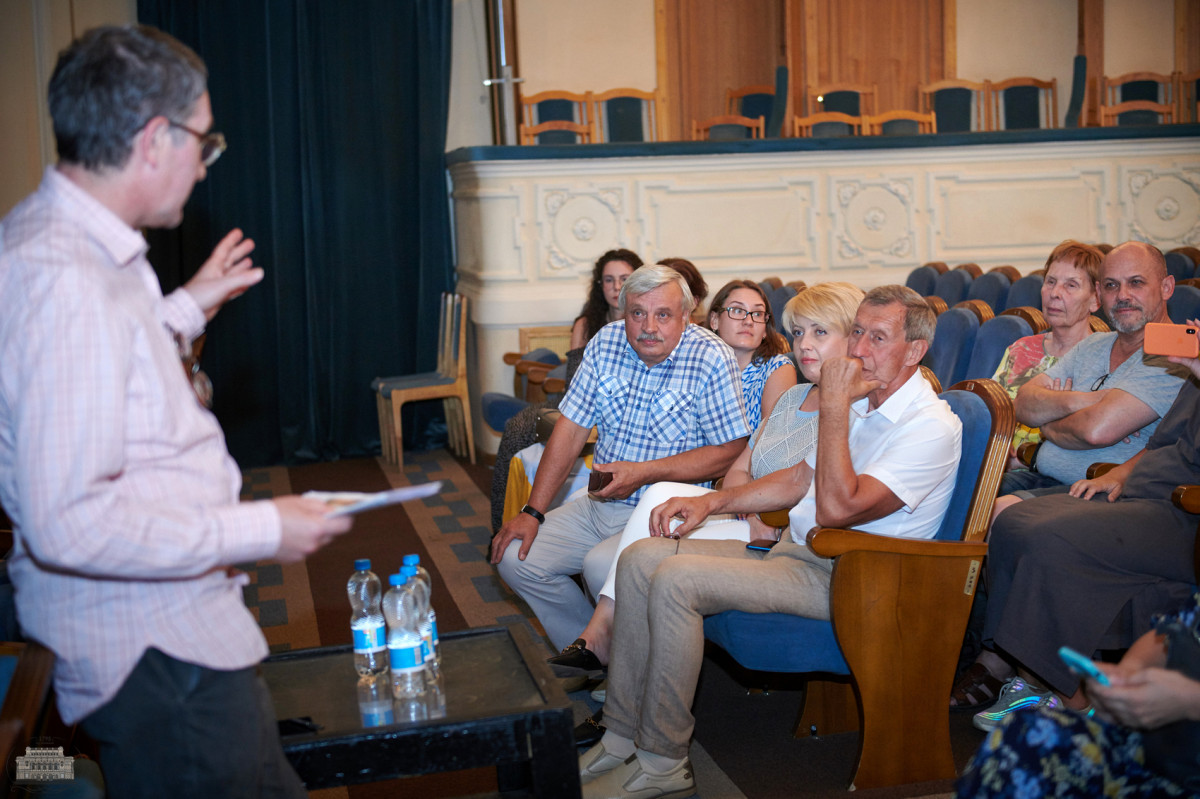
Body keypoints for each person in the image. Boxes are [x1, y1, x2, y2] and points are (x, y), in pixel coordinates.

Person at [0, 25, 353, 797]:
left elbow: (101, 371)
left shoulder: (81, 249)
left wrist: (187, 305)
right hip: (154, 653)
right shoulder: (64, 274)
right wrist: (267, 527)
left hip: (177, 631)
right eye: (204, 139)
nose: (204, 163)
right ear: (155, 138)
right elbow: (70, 521)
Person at [577, 285, 963, 799]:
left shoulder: (930, 425)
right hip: (802, 555)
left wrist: (831, 405)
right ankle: (622, 734)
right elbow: (799, 478)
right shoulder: (866, 404)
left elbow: (839, 507)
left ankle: (663, 760)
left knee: (674, 578)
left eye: (877, 338)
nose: (859, 350)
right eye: (858, 333)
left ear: (914, 350)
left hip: (860, 578)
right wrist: (711, 503)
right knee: (642, 557)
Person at [548, 282, 861, 676]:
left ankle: (607, 648)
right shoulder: (791, 397)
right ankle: (609, 653)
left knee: (629, 559)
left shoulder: (849, 408)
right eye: (798, 333)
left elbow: (807, 486)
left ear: (854, 338)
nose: (804, 345)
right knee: (651, 514)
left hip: (783, 536)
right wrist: (741, 506)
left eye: (820, 332)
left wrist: (750, 508)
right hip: (747, 517)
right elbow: (739, 468)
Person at [491, 265, 751, 651]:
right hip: (598, 505)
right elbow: (570, 428)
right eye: (637, 314)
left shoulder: (710, 356)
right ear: (623, 311)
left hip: (663, 515)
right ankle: (600, 657)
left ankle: (617, 668)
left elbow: (729, 450)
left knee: (600, 566)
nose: (649, 326)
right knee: (515, 557)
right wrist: (532, 512)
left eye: (663, 315)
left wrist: (644, 474)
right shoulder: (606, 342)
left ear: (685, 316)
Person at [968, 330, 1200, 734]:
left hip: (1184, 513)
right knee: (1010, 521)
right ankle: (1030, 678)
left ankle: (1070, 700)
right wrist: (1122, 473)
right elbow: (1162, 445)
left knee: (1048, 536)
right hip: (1143, 493)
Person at [951, 240, 1102, 710]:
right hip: (1009, 466)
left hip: (1060, 476)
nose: (1055, 293)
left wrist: (1033, 435)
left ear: (1095, 299)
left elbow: (1077, 434)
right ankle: (953, 641)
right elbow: (1001, 414)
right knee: (955, 497)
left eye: (1071, 285)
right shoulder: (1023, 349)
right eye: (1051, 281)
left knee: (987, 511)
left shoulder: (1102, 356)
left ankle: (992, 657)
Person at [956, 592, 1200, 798]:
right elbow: (1171, 632)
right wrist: (1128, 673)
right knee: (1023, 735)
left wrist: (1188, 700)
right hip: (1158, 741)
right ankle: (1042, 690)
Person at [1001, 241, 1186, 499]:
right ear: (1100, 292)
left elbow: (1095, 430)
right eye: (1111, 285)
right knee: (963, 495)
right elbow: (1024, 404)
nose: (1122, 295)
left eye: (1136, 283)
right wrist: (1091, 401)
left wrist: (1047, 419)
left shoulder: (1175, 356)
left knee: (999, 512)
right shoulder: (1092, 345)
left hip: (1096, 490)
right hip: (1038, 475)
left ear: (1166, 287)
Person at [489, 249, 642, 533]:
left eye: (624, 278)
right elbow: (574, 380)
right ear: (600, 285)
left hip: (629, 405)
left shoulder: (648, 322)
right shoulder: (586, 324)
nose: (616, 287)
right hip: (576, 399)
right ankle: (501, 526)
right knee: (517, 427)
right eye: (608, 280)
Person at [705, 279, 795, 429]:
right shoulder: (699, 369)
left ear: (765, 329)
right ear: (714, 320)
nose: (748, 321)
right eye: (738, 311)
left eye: (758, 314)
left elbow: (772, 443)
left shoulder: (777, 368)